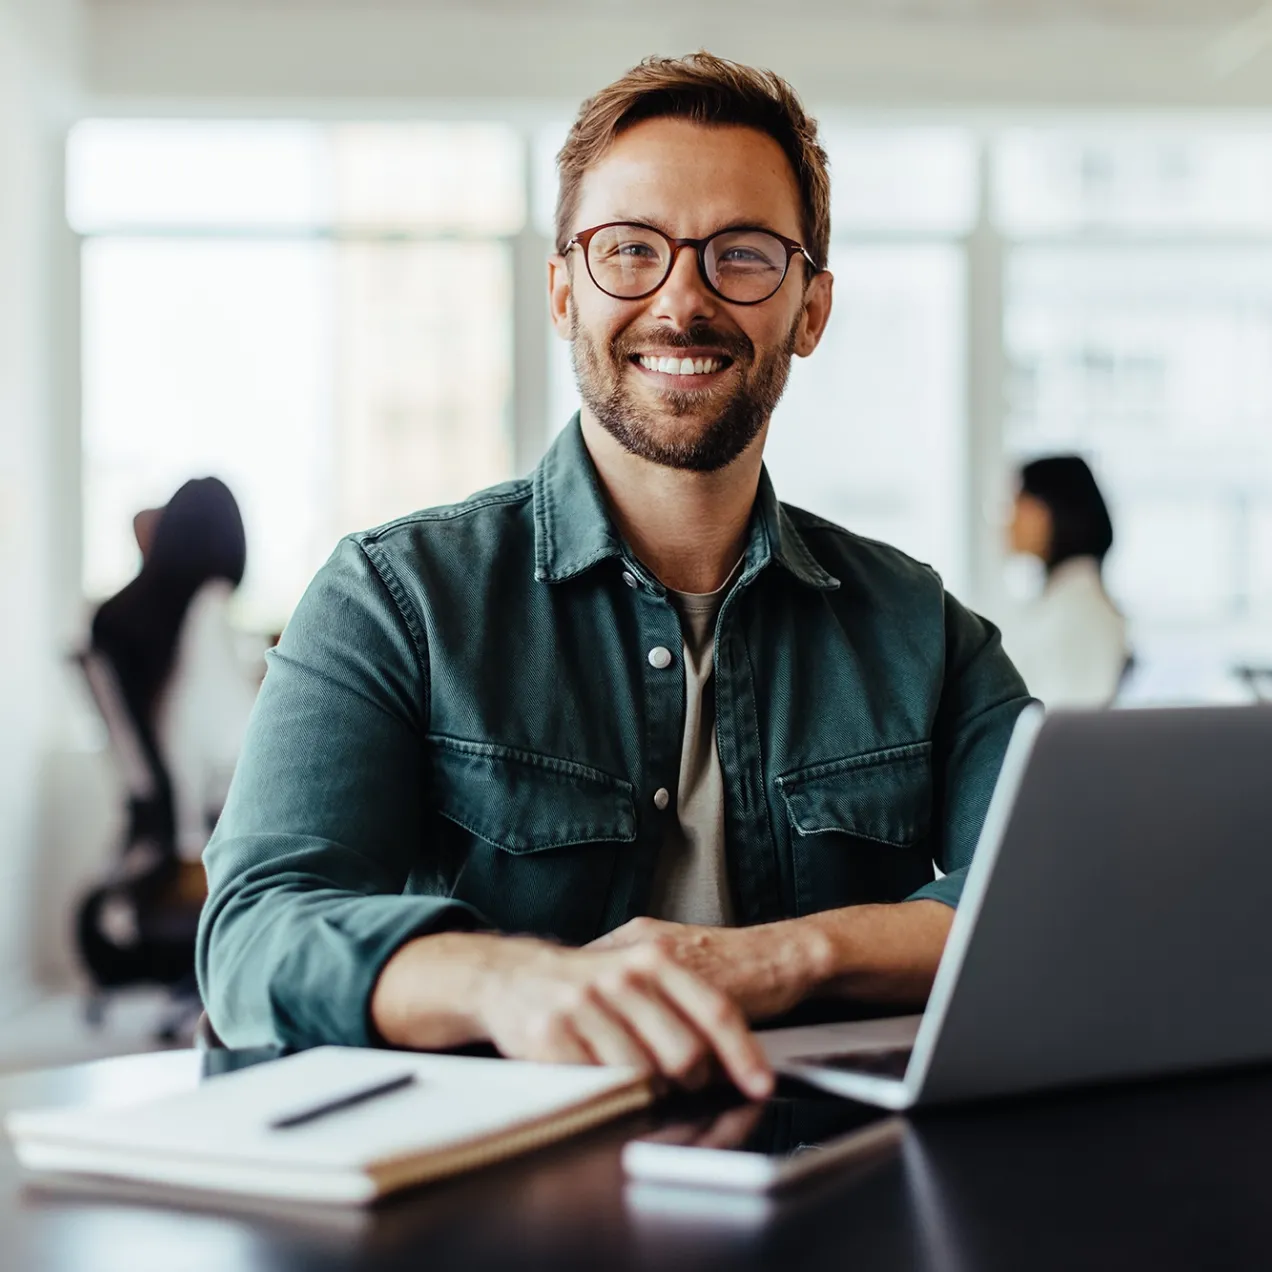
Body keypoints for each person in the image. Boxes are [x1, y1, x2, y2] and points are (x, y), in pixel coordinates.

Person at [198, 53, 1032, 1099]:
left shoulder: (924, 629)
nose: (681, 301)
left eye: (741, 255)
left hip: (830, 1182)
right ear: (562, 292)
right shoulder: (395, 598)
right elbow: (254, 936)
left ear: (810, 310)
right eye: (630, 250)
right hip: (491, 1201)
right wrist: (506, 981)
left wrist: (779, 957)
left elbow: (1049, 902)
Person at [92, 477, 258, 862]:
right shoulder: (207, 606)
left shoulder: (120, 618)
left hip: (150, 837)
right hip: (200, 839)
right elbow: (226, 741)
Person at [1001, 456, 1129, 710]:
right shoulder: (1064, 598)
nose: (1009, 520)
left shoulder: (1081, 611)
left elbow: (1061, 725)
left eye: (1019, 502)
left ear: (1051, 511)